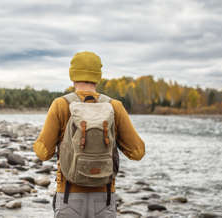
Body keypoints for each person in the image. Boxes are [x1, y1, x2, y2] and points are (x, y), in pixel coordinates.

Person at [33, 51, 145, 218]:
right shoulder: (114, 106)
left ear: (72, 75)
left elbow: (43, 153)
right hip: (104, 199)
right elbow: (137, 152)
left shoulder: (61, 105)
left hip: (69, 197)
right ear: (97, 76)